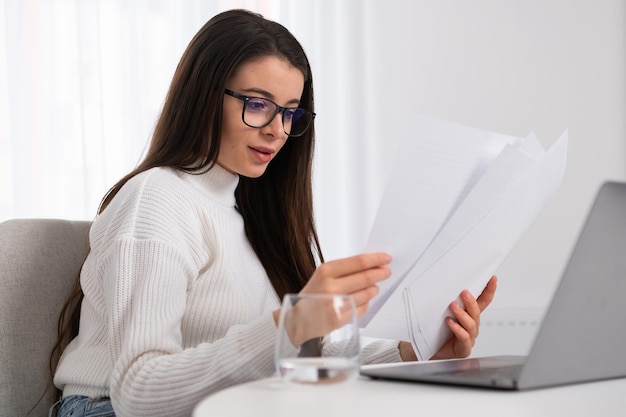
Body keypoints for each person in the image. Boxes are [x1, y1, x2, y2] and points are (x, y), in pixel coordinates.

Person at [49, 9, 497, 417]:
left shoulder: (251, 212)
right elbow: (138, 392)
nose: (277, 131)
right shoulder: (157, 199)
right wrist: (290, 323)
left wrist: (414, 353)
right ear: (205, 95)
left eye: (289, 113)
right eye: (258, 104)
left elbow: (295, 358)